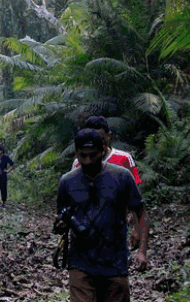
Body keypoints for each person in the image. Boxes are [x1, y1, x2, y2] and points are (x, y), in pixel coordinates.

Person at [55, 129, 149, 302]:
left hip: (115, 263)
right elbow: (60, 218)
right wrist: (61, 225)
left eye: (93, 155)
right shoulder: (67, 182)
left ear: (103, 151)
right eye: (83, 156)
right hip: (80, 263)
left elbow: (141, 212)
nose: (88, 161)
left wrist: (142, 251)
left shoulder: (122, 177)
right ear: (76, 153)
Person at [71, 116, 143, 248]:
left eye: (101, 139)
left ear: (109, 136)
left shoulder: (124, 159)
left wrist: (137, 229)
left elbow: (136, 198)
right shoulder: (78, 163)